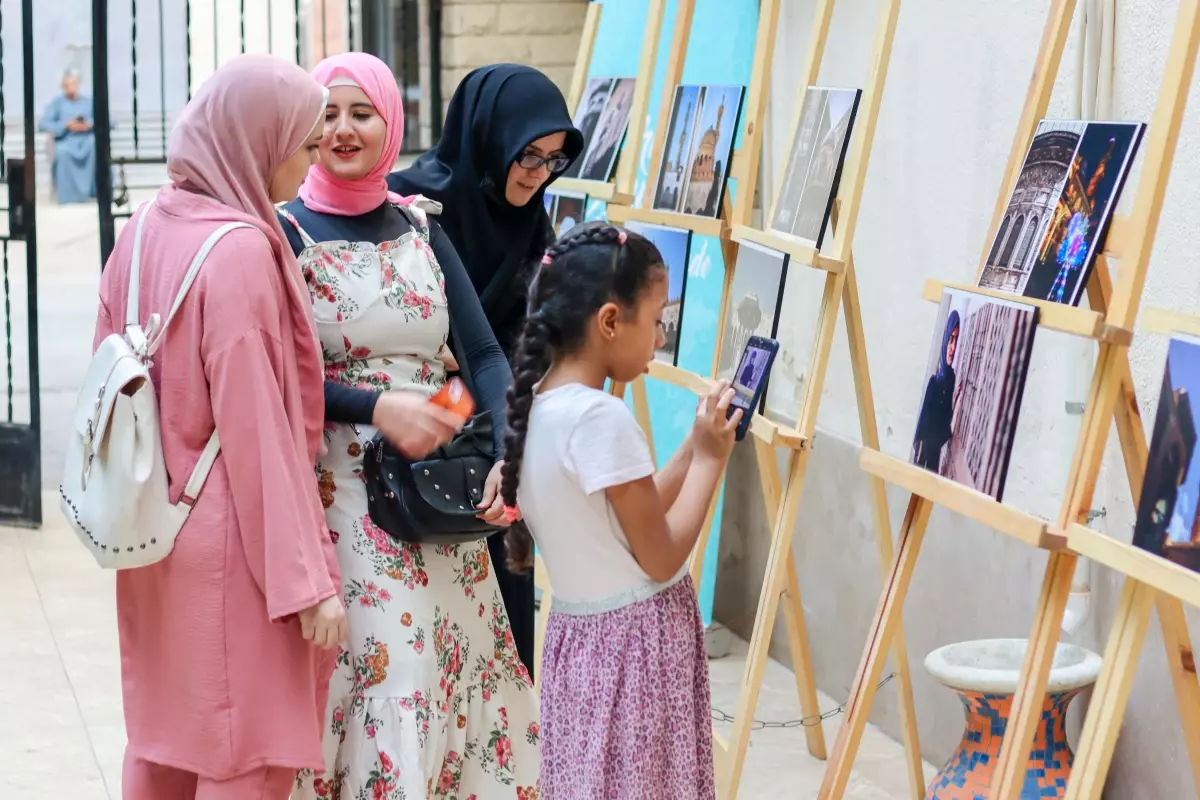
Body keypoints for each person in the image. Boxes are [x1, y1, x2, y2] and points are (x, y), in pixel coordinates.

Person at [281, 52, 539, 800]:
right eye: (326, 113)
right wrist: (374, 408)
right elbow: (282, 378)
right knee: (399, 664)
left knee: (459, 658)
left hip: (436, 491)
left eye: (361, 112)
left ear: (390, 123)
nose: (342, 129)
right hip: (346, 498)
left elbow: (485, 354)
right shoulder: (286, 233)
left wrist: (507, 451)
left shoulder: (421, 228)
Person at [94, 54, 346, 799]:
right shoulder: (237, 251)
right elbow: (259, 432)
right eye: (301, 145)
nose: (307, 165)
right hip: (233, 554)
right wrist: (305, 585)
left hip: (155, 535)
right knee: (243, 756)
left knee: (166, 745)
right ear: (255, 140)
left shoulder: (142, 227)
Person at [497, 222, 740, 798]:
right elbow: (658, 556)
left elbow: (630, 515)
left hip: (580, 646)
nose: (660, 338)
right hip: (637, 654)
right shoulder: (600, 417)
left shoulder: (536, 407)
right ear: (610, 321)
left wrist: (692, 444)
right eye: (656, 321)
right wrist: (709, 462)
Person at [389, 63, 584, 676]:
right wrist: (456, 397)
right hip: (414, 429)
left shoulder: (530, 222)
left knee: (502, 623)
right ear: (489, 137)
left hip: (496, 429)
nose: (537, 173)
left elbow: (532, 332)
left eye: (553, 160)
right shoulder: (409, 206)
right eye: (528, 154)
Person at [39, 69, 97, 203]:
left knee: (94, 147)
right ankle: (68, 196)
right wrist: (66, 125)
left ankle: (93, 192)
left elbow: (106, 120)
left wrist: (89, 124)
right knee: (62, 152)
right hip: (66, 140)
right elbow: (43, 123)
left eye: (73, 84)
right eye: (67, 85)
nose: (70, 88)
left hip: (86, 138)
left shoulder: (88, 102)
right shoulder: (57, 103)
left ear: (78, 84)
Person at [912, 309, 960, 472]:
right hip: (924, 460)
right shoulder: (934, 383)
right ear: (945, 339)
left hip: (935, 459)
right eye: (950, 339)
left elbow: (945, 423)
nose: (952, 347)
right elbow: (923, 430)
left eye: (956, 340)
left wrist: (954, 400)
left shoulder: (951, 378)